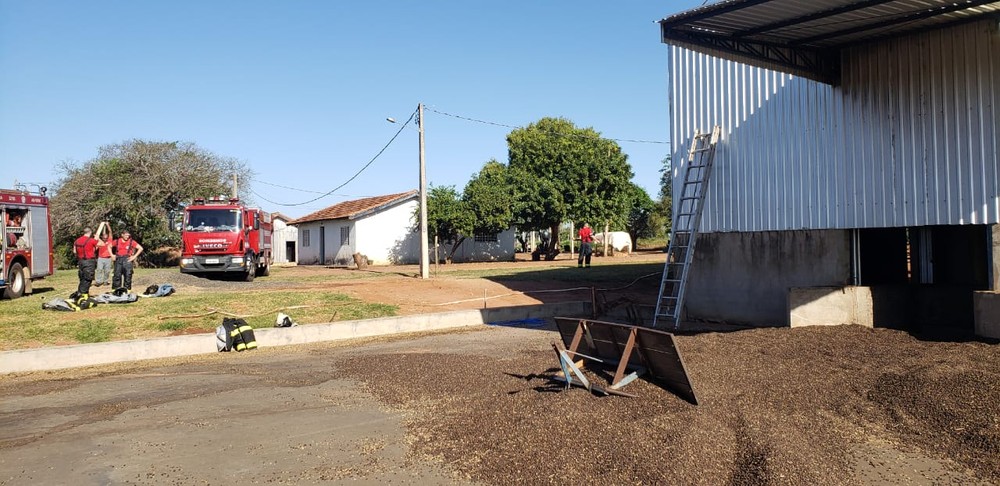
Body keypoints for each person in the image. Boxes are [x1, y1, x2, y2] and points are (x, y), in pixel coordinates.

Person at [74, 226, 105, 299]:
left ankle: (82, 293)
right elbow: (102, 244)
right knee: (88, 278)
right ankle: (83, 295)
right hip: (89, 261)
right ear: (90, 232)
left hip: (81, 261)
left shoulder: (77, 241)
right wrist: (98, 238)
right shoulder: (91, 240)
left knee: (82, 278)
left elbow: (74, 251)